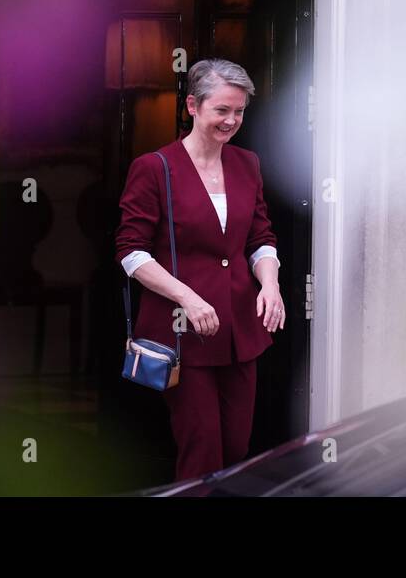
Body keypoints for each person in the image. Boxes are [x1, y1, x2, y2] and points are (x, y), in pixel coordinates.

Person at [115, 58, 285, 481]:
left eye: (240, 111)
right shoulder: (156, 168)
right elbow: (130, 252)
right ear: (193, 105)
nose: (232, 120)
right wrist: (187, 298)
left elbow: (259, 239)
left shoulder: (248, 164)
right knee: (202, 447)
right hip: (182, 334)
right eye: (222, 110)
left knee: (237, 447)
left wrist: (271, 285)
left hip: (241, 333)